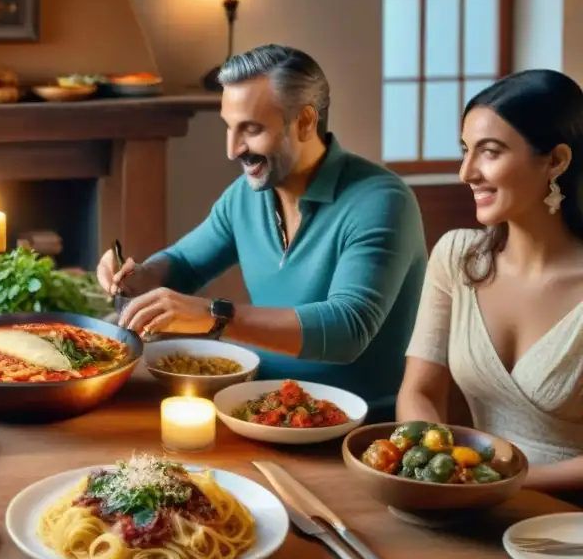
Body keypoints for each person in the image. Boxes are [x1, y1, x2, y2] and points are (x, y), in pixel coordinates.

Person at [99, 44, 427, 419]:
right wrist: (135, 277)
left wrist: (216, 316)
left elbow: (347, 329)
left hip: (357, 432)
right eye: (229, 127)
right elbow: (185, 263)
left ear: (305, 122)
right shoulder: (245, 196)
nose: (232, 149)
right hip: (260, 409)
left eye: (251, 129)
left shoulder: (381, 201)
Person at [397, 69, 583, 493]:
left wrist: (504, 482)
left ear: (556, 160)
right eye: (466, 150)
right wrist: (442, 469)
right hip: (472, 499)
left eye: (490, 152)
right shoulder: (457, 257)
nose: (467, 172)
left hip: (567, 522)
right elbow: (418, 391)